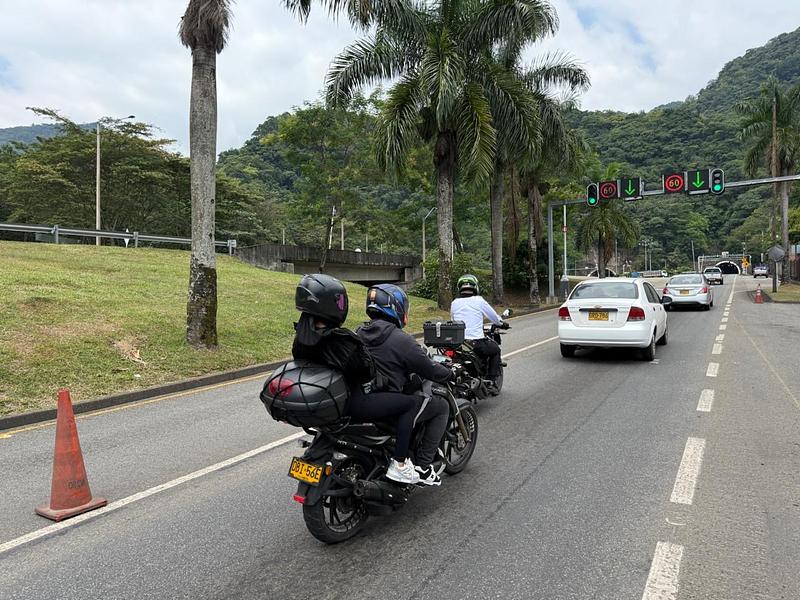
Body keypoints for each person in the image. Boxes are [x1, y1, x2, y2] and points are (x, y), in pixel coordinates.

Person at [292, 274, 422, 484]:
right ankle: (400, 463)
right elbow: (364, 371)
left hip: (331, 402)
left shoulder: (301, 338)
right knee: (410, 404)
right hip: (355, 402)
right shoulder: (341, 341)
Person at [357, 283, 453, 486]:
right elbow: (429, 369)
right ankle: (424, 466)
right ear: (397, 308)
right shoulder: (401, 339)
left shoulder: (359, 332)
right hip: (390, 403)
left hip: (365, 399)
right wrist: (448, 373)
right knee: (441, 406)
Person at [450, 274, 508, 391]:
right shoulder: (479, 301)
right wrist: (502, 323)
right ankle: (491, 381)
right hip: (476, 342)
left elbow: (453, 320)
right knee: (495, 350)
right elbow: (494, 318)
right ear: (475, 287)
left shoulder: (454, 303)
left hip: (458, 343)